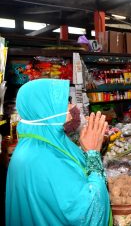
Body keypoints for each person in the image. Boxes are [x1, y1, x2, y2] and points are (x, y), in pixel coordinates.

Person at [6, 79, 111, 225]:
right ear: (43, 109)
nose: (71, 106)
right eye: (63, 102)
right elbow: (89, 213)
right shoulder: (42, 159)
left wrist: (88, 144)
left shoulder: (39, 140)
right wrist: (93, 153)